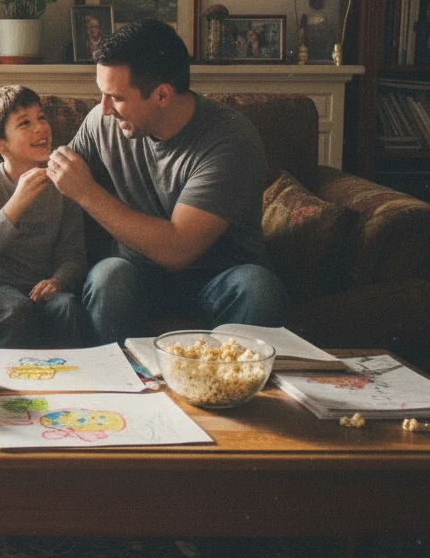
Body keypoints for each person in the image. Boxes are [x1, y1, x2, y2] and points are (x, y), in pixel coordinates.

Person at [45, 19, 289, 342]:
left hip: (219, 279)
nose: (103, 109)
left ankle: (226, 386)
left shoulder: (230, 140)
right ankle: (126, 385)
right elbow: (46, 184)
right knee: (108, 276)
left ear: (162, 95)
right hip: (138, 279)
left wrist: (87, 193)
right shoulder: (101, 124)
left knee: (259, 288)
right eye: (101, 94)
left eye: (115, 97)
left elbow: (178, 247)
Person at [0, 85, 88, 348]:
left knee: (68, 307)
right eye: (24, 123)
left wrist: (58, 280)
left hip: (41, 285)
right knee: (14, 309)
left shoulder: (64, 184)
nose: (40, 128)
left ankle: (71, 385)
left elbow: (72, 255)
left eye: (41, 118)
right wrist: (17, 201)